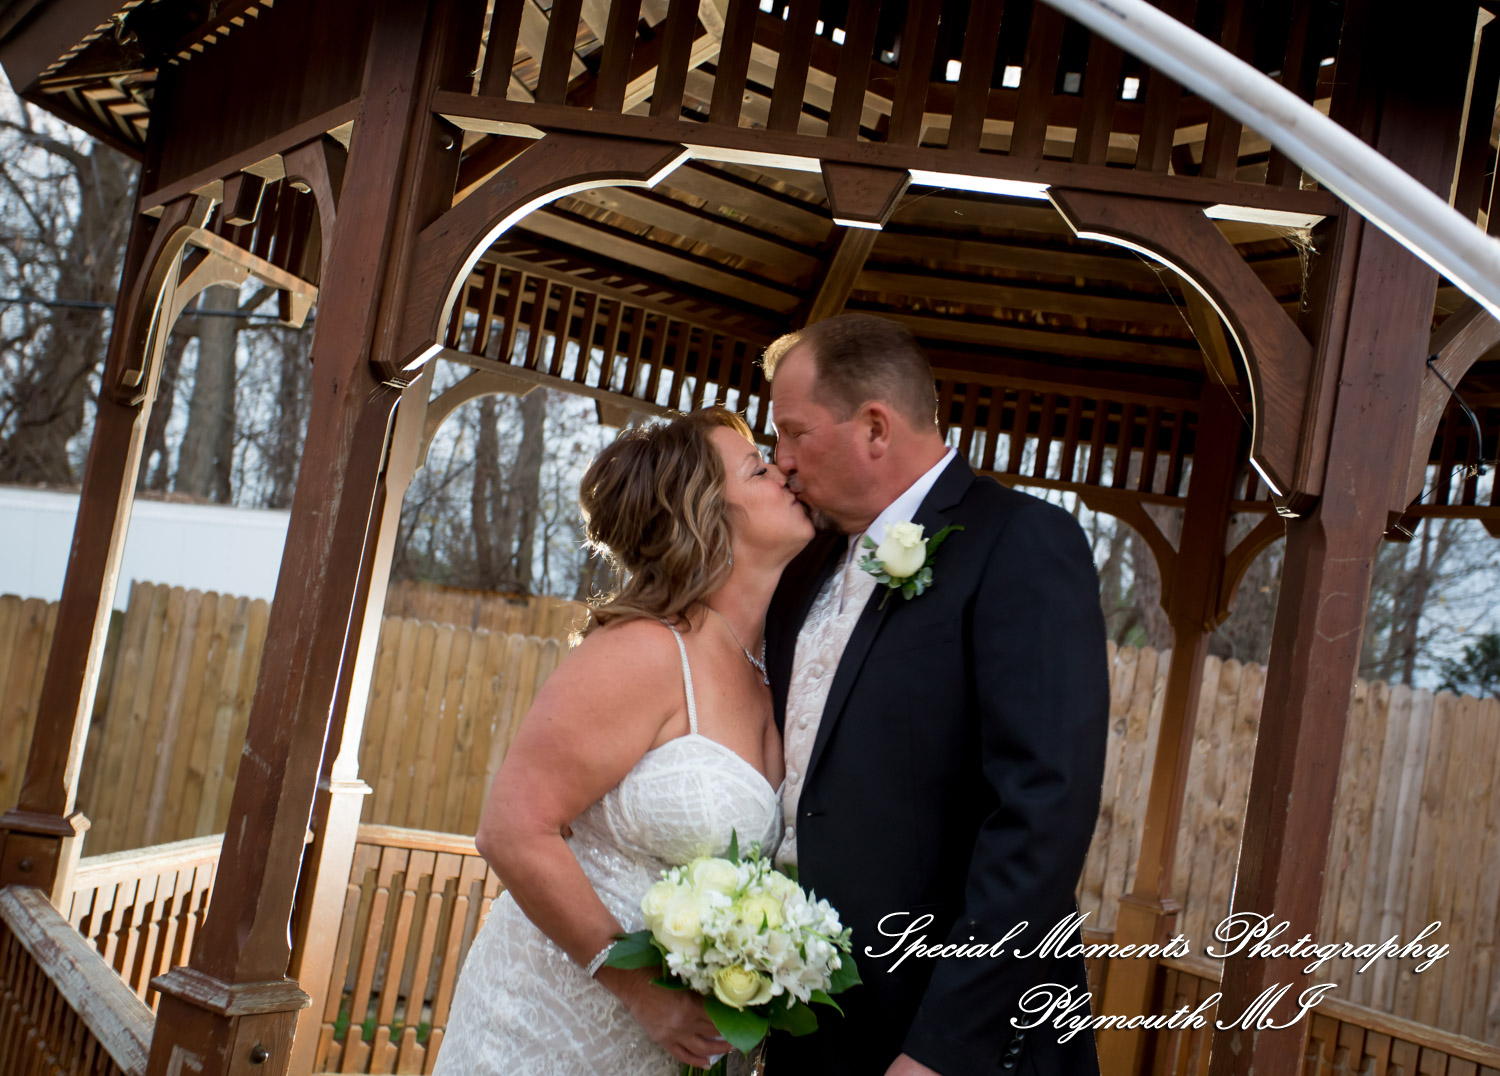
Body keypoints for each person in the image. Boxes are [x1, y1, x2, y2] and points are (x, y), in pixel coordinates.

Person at [762, 313, 1110, 1075]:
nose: (780, 462)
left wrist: (942, 1047)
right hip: (811, 1033)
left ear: (876, 428)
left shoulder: (1019, 543)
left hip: (959, 1039)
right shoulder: (800, 572)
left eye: (793, 432)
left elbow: (1040, 812)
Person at [435, 406, 813, 1075]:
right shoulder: (644, 652)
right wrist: (638, 988)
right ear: (709, 515)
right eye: (758, 467)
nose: (785, 472)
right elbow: (513, 831)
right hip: (550, 1021)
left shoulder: (776, 673)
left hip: (664, 1049)